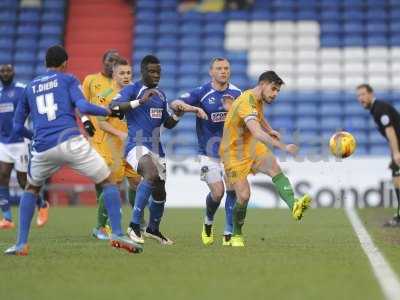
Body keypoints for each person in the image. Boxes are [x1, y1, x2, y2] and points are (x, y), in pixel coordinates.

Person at [4, 45, 142, 255]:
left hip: (42, 148)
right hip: (69, 140)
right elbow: (84, 107)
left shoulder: (29, 86)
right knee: (107, 181)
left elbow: (16, 127)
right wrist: (105, 111)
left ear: (45, 64)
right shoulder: (67, 79)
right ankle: (116, 233)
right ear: (65, 63)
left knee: (31, 189)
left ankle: (21, 244)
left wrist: (35, 137)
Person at [219, 70, 312, 247]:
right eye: (274, 89)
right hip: (232, 152)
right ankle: (236, 234)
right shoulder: (247, 101)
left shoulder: (257, 98)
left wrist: (269, 129)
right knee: (244, 196)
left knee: (274, 168)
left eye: (278, 91)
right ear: (263, 84)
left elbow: (259, 118)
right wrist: (284, 147)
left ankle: (294, 205)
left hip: (250, 146)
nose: (275, 94)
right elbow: (256, 132)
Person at [110, 55, 182, 245]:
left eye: (158, 72)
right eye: (151, 71)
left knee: (160, 192)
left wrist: (178, 115)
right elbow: (113, 106)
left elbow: (166, 123)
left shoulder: (161, 95)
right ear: (142, 72)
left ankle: (153, 229)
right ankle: (134, 226)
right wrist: (139, 102)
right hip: (136, 144)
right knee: (149, 174)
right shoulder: (132, 89)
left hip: (157, 149)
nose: (156, 75)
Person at [170, 58, 241, 246]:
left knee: (233, 189)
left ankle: (228, 232)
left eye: (226, 68)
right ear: (211, 72)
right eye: (219, 68)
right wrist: (193, 109)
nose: (223, 71)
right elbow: (174, 103)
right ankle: (208, 222)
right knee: (218, 193)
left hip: (231, 153)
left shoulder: (237, 93)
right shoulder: (201, 93)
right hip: (208, 153)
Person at [91, 57, 143, 239]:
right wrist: (120, 134)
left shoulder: (137, 92)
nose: (126, 76)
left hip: (132, 146)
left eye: (128, 73)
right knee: (113, 184)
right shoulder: (105, 95)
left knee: (137, 182)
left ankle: (137, 223)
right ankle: (100, 227)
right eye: (122, 73)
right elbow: (101, 123)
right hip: (112, 147)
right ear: (113, 74)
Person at [81, 49, 127, 238]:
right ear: (103, 61)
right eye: (109, 60)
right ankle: (103, 223)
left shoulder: (122, 84)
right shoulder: (90, 80)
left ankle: (105, 221)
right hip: (97, 138)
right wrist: (85, 122)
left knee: (112, 181)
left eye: (116, 61)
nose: (112, 63)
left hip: (116, 139)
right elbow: (80, 104)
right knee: (103, 180)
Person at [0, 63, 49, 229]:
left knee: (22, 181)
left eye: (8, 70)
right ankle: (7, 218)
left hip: (20, 141)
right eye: (2, 71)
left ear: (13, 72)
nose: (5, 73)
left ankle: (42, 204)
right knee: (2, 176)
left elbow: (33, 110)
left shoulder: (22, 89)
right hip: (4, 142)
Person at [357, 84, 400, 227]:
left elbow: (390, 131)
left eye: (363, 94)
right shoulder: (375, 110)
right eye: (358, 96)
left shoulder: (379, 109)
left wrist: (396, 153)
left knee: (397, 179)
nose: (360, 98)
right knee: (396, 178)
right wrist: (393, 155)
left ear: (371, 94)